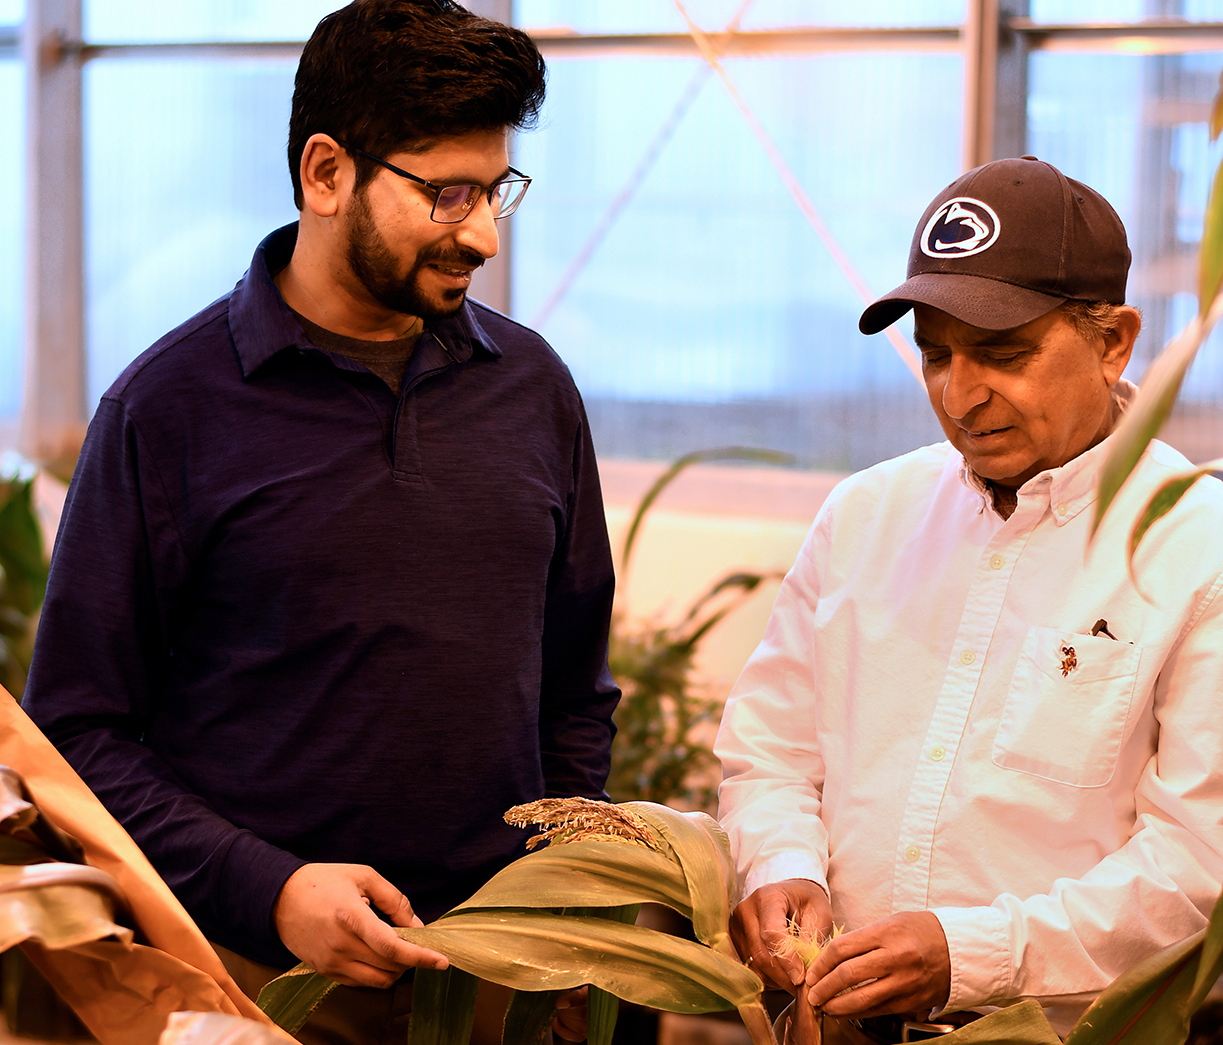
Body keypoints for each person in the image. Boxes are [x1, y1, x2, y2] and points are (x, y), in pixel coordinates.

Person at [22, 2, 618, 1041]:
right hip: (251, 977)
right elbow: (77, 737)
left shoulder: (531, 388)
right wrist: (272, 888)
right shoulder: (167, 409)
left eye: (496, 190)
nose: (481, 231)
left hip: (495, 978)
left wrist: (560, 897)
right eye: (447, 193)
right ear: (326, 173)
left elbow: (572, 689)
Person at [714, 155, 1223, 1041]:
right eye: (935, 353)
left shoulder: (1193, 546)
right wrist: (782, 864)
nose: (959, 392)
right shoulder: (866, 516)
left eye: (1002, 353)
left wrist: (969, 952)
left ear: (1113, 342)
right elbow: (771, 752)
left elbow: (1197, 867)